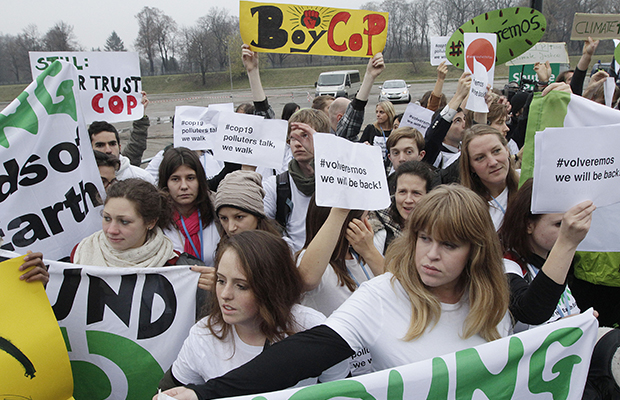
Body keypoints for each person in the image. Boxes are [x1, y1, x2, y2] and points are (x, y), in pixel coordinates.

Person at [159, 185, 512, 400]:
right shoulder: (382, 296)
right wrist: (204, 393)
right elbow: (300, 354)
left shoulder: (497, 305)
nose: (431, 255)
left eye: (449, 245)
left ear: (476, 250)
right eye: (424, 238)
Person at [158, 230, 348, 390]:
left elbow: (342, 391)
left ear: (272, 287)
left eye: (241, 286)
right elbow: (169, 390)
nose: (225, 294)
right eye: (221, 280)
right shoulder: (203, 335)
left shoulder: (311, 326)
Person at [498, 179, 594, 331]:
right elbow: (531, 311)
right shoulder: (506, 264)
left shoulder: (549, 256)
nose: (569, 230)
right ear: (529, 224)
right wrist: (566, 243)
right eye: (559, 224)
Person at [262, 109, 331, 252]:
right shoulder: (275, 185)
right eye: (293, 138)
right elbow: (261, 222)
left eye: (305, 136)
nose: (298, 144)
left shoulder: (336, 180)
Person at [71, 178, 177, 268]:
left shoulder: (174, 264)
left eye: (124, 222)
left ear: (150, 222)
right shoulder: (80, 252)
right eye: (107, 218)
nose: (112, 230)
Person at [158, 147, 220, 267]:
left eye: (190, 178)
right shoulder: (156, 219)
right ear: (166, 183)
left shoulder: (218, 212)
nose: (184, 186)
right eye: (175, 179)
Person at [459, 124, 519, 230]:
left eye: (496, 151)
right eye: (480, 158)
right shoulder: (465, 209)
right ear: (470, 166)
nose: (492, 162)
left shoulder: (530, 185)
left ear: (507, 150)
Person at [371, 161, 433, 255]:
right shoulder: (375, 228)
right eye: (402, 192)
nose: (408, 200)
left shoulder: (437, 228)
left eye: (416, 193)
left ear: (428, 195)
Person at [214, 170, 280, 238]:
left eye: (239, 217)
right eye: (224, 218)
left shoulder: (279, 247)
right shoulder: (216, 246)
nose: (231, 228)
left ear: (258, 215)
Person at [88, 120, 155, 184]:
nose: (108, 150)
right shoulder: (82, 179)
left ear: (119, 147)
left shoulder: (142, 178)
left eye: (112, 144)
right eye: (100, 145)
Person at [385, 127, 426, 193]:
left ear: (421, 155)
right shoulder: (385, 186)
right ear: (390, 157)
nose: (401, 158)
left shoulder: (434, 184)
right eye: (396, 153)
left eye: (408, 152)